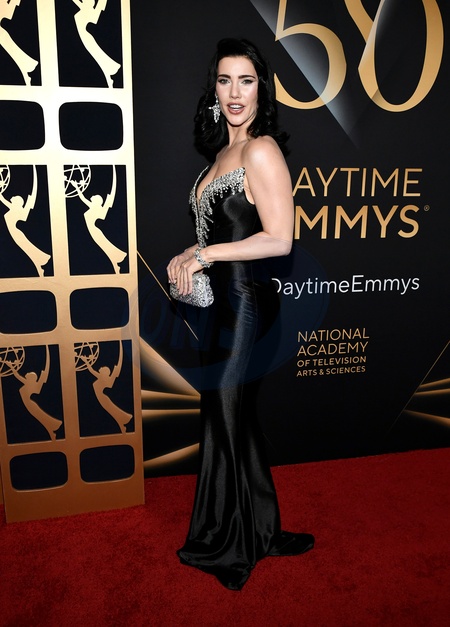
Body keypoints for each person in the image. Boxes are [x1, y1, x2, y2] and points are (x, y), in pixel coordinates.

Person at [167, 38, 314, 591]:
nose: (234, 92)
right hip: (218, 305)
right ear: (214, 90)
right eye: (225, 80)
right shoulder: (219, 157)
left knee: (226, 415)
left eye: (246, 81)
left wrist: (203, 254)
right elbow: (225, 232)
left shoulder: (261, 150)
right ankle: (261, 528)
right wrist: (190, 257)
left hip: (248, 304)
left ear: (261, 90)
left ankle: (233, 544)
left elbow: (279, 239)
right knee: (232, 418)